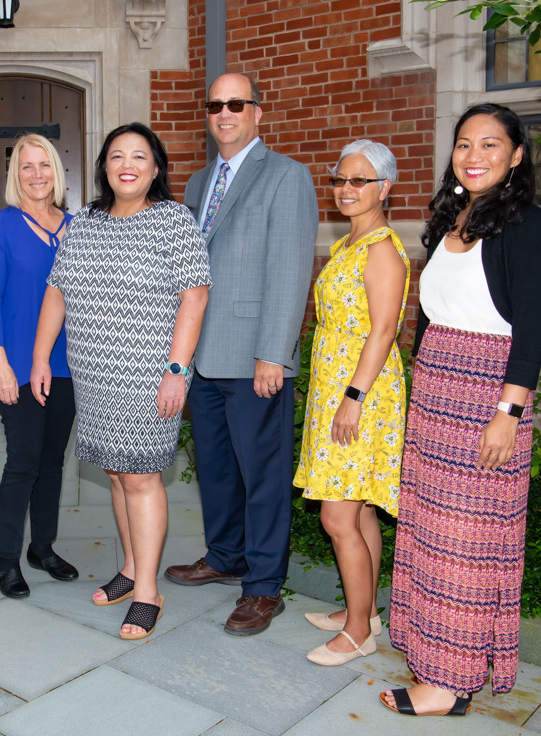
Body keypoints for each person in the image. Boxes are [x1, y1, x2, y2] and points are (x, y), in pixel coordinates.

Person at [380, 103, 541, 717]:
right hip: (436, 394)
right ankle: (431, 658)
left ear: (515, 156)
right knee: (429, 535)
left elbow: (532, 328)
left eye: (490, 144)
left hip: (489, 396)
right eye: (463, 143)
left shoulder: (530, 228)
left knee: (468, 544)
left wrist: (509, 412)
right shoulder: (448, 220)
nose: (474, 154)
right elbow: (431, 318)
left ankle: (451, 682)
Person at [31, 122, 211, 639]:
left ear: (155, 168)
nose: (126, 164)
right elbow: (56, 293)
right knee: (115, 473)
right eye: (116, 156)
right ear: (103, 167)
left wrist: (177, 370)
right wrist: (41, 358)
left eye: (138, 156)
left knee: (141, 478)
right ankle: (132, 568)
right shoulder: (84, 223)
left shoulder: (174, 222)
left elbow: (194, 298)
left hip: (149, 374)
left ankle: (149, 590)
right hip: (94, 373)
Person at [165, 72, 318, 636]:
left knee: (264, 475)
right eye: (215, 105)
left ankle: (263, 586)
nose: (224, 113)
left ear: (258, 112)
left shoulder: (286, 176)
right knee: (218, 470)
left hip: (257, 358)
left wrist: (274, 353)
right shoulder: (199, 181)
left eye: (236, 103)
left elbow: (290, 269)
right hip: (203, 357)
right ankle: (226, 555)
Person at [294, 140, 409, 665]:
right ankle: (362, 612)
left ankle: (359, 632)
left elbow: (385, 330)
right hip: (338, 393)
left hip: (361, 395)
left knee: (338, 518)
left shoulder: (381, 248)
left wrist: (354, 399)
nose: (346, 189)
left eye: (359, 180)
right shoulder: (350, 245)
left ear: (384, 187)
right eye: (340, 179)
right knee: (358, 511)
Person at [0, 134, 79, 599]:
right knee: (22, 461)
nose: (36, 175)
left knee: (52, 461)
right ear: (16, 175)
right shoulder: (1, 226)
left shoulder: (77, 226)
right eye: (26, 167)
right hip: (20, 364)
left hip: (69, 363)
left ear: (57, 171)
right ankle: (7, 556)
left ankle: (42, 547)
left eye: (44, 165)